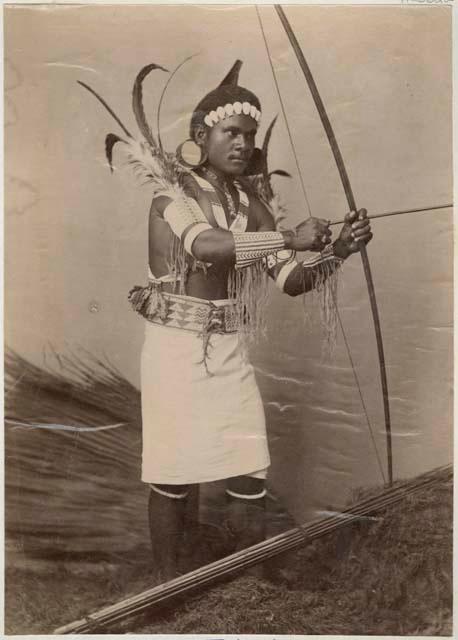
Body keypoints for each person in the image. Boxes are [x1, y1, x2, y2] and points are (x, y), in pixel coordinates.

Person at [127, 59, 373, 582]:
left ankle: (245, 583)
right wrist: (290, 237)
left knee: (248, 470)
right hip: (176, 347)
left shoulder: (254, 206)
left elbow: (290, 280)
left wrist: (340, 253)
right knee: (174, 474)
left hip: (228, 348)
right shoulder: (173, 190)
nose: (242, 143)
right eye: (230, 132)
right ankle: (168, 587)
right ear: (202, 136)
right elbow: (206, 246)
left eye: (250, 135)